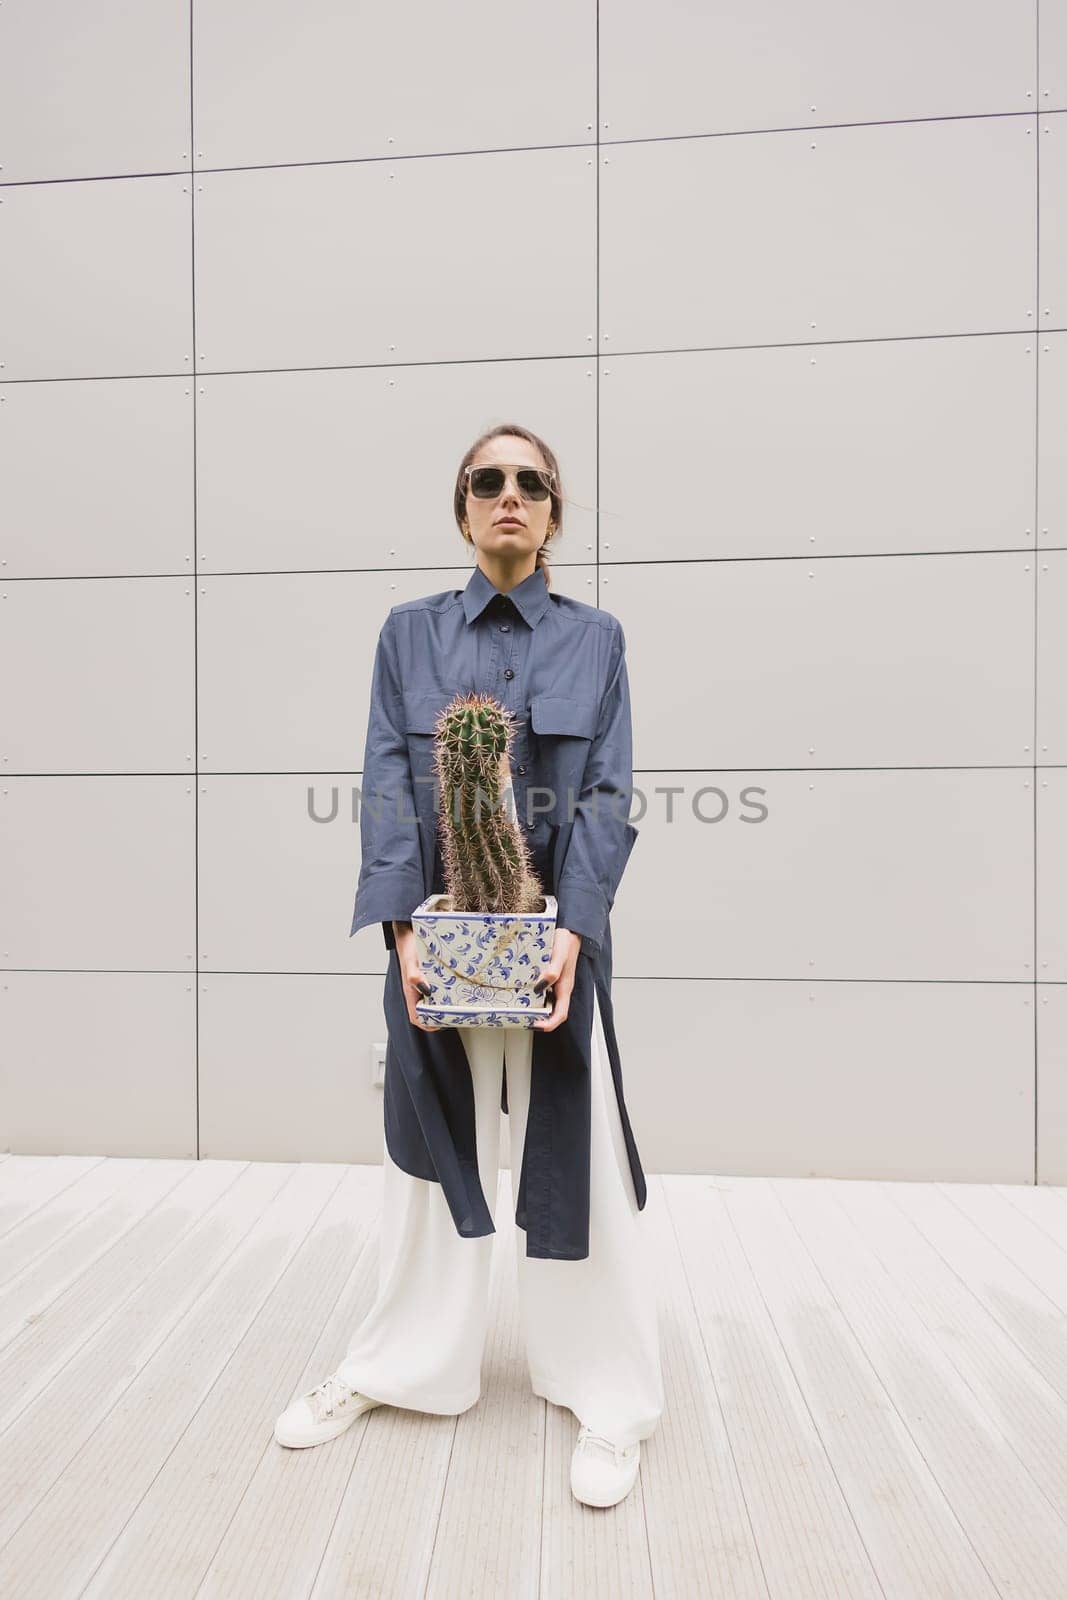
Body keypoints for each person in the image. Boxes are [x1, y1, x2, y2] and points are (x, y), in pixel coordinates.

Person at [275, 425, 663, 1507]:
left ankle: (605, 1393)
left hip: (553, 949)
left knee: (573, 1164)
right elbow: (388, 780)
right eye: (485, 481)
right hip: (435, 942)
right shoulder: (407, 635)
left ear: (551, 513)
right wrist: (403, 932)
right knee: (427, 1161)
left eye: (528, 483)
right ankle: (401, 1367)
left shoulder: (597, 639)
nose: (507, 496)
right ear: (462, 509)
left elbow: (605, 796)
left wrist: (570, 931)